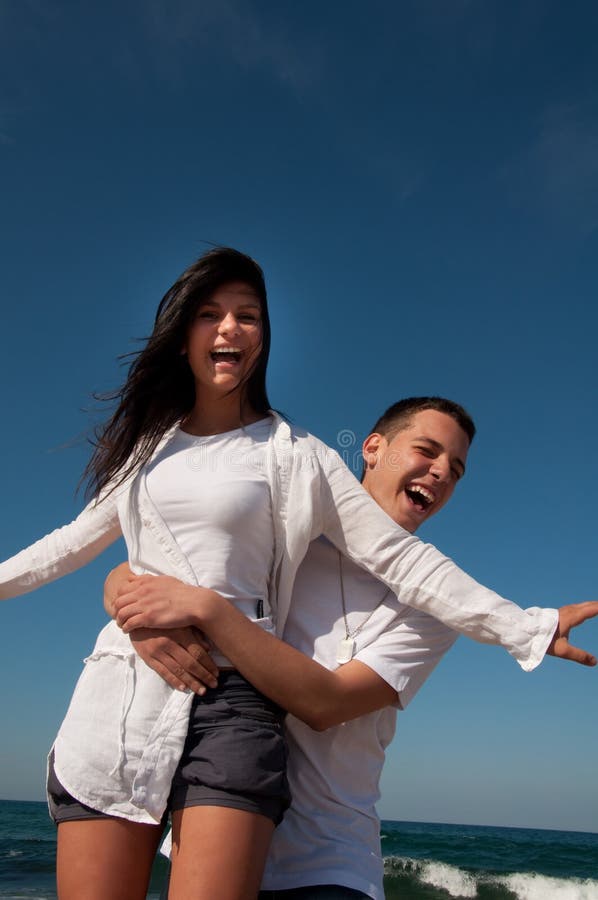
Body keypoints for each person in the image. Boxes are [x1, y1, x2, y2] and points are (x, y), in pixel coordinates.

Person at [0, 248, 595, 900]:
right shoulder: (148, 451)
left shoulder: (302, 458)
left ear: (265, 337)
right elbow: (76, 545)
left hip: (246, 726)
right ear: (183, 335)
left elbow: (402, 564)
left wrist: (525, 626)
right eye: (210, 313)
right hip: (123, 689)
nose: (229, 328)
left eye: (248, 316)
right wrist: (124, 599)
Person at [107, 397, 598, 900]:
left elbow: (327, 705)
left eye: (456, 470)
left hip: (327, 861)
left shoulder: (439, 607)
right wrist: (126, 600)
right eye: (426, 451)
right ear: (372, 449)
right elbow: (157, 564)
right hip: (209, 826)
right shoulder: (285, 533)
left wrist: (209, 611)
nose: (440, 473)